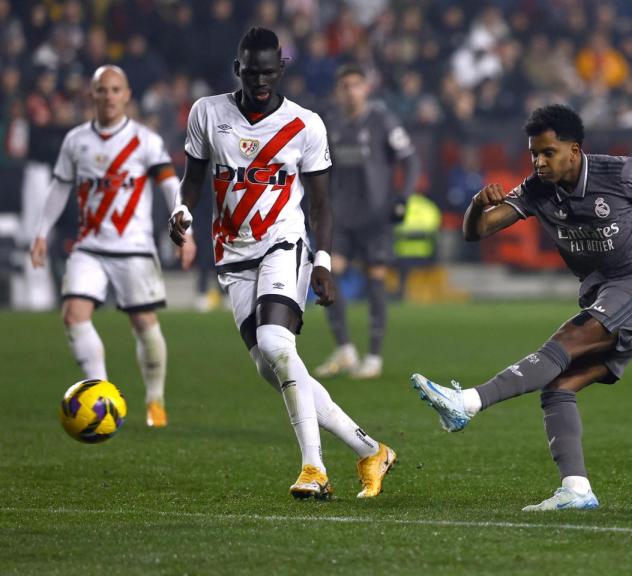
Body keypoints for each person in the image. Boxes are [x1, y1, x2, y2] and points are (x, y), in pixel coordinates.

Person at [411, 104, 632, 510]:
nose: (539, 161)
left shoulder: (624, 173)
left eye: (548, 153)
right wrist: (475, 204)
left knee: (567, 339)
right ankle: (576, 489)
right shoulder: (538, 189)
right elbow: (477, 232)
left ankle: (467, 402)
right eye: (534, 153)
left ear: (574, 150)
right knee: (558, 387)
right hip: (605, 295)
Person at [168, 27, 395, 500]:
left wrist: (324, 261)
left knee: (276, 342)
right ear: (238, 70)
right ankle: (370, 450)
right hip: (231, 255)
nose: (260, 81)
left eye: (269, 72)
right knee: (272, 367)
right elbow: (192, 180)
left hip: (283, 244)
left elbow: (321, 204)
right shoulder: (207, 113)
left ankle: (314, 468)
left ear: (282, 69)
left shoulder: (306, 124)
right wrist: (182, 211)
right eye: (252, 73)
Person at [30, 65, 193, 429]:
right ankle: (102, 396)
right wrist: (41, 232)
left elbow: (170, 186)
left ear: (127, 95)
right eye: (102, 90)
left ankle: (155, 400)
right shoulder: (75, 140)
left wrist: (186, 229)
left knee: (144, 323)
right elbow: (59, 187)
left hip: (134, 247)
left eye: (115, 89)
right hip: (89, 246)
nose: (108, 96)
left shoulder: (145, 141)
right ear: (92, 95)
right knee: (73, 315)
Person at [313, 64, 421, 380]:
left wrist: (403, 197)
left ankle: (373, 356)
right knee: (329, 275)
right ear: (337, 91)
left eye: (356, 85)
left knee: (375, 278)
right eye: (344, 85)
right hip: (341, 216)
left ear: (366, 88)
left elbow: (411, 160)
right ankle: (345, 349)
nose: (350, 91)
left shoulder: (382, 120)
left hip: (376, 216)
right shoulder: (329, 123)